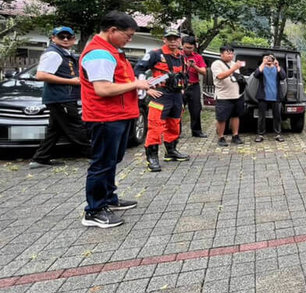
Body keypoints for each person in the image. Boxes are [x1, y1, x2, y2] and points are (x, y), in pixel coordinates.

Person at [79, 11, 149, 228]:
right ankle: (94, 210)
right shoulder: (99, 53)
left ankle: (109, 198)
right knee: (102, 163)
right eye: (127, 35)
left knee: (112, 160)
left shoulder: (113, 52)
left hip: (119, 115)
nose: (129, 39)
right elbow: (103, 89)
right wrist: (136, 84)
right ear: (112, 31)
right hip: (105, 117)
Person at [30, 26, 90, 168]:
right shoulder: (53, 54)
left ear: (73, 39)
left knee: (55, 129)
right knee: (75, 126)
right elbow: (41, 75)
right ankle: (94, 155)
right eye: (61, 36)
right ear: (53, 38)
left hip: (61, 97)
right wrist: (71, 81)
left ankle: (40, 159)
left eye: (68, 37)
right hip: (62, 98)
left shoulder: (64, 53)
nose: (65, 39)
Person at [135, 29, 189, 172]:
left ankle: (171, 152)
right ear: (164, 39)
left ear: (179, 40)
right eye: (169, 38)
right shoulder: (155, 54)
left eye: (175, 39)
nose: (172, 41)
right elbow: (138, 70)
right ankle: (152, 158)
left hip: (176, 95)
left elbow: (183, 75)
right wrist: (147, 88)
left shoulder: (181, 56)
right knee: (156, 126)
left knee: (174, 124)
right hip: (160, 95)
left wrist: (182, 88)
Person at [211, 46, 246, 147]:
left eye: (232, 53)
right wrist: (233, 69)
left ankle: (235, 135)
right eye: (228, 53)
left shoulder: (234, 64)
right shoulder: (216, 64)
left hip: (236, 95)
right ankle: (221, 137)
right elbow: (221, 76)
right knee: (222, 118)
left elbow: (236, 77)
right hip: (223, 96)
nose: (230, 55)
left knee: (236, 116)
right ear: (221, 54)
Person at [253, 54, 287, 142]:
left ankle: (278, 134)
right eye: (266, 58)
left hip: (276, 97)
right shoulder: (262, 68)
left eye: (271, 58)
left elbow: (283, 76)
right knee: (261, 117)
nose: (268, 59)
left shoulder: (277, 68)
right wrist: (263, 63)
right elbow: (256, 75)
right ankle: (260, 135)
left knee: (277, 116)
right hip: (263, 96)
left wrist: (277, 65)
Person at [182, 36, 208, 138]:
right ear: (182, 45)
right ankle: (176, 132)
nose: (188, 50)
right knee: (178, 109)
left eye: (190, 48)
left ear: (194, 47)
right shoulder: (178, 55)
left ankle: (196, 131)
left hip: (194, 85)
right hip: (181, 86)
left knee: (196, 109)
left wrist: (194, 66)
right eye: (186, 47)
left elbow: (204, 72)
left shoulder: (198, 57)